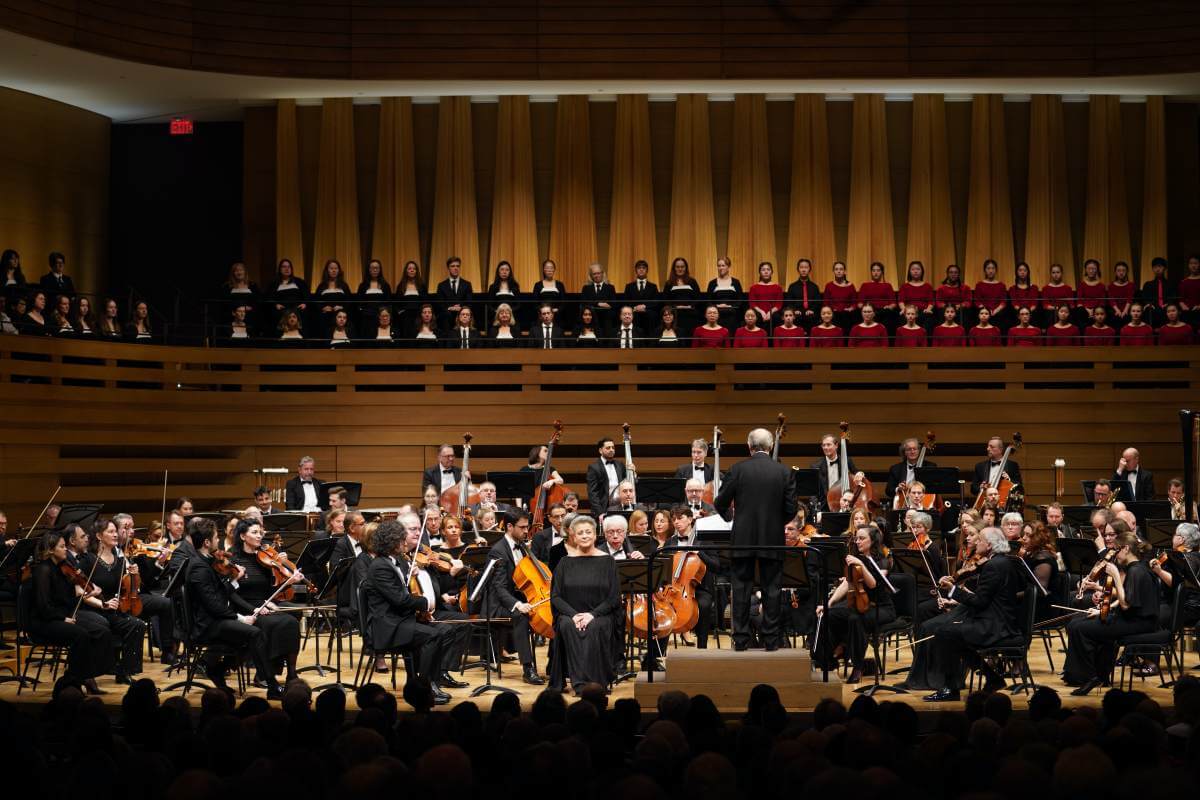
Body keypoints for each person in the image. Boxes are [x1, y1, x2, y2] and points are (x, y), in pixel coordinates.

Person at [713, 427, 797, 651]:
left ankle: (740, 640)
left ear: (749, 446)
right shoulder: (784, 472)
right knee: (772, 589)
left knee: (740, 588)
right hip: (772, 539)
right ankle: (771, 640)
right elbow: (791, 509)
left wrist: (732, 517)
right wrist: (776, 523)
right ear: (770, 447)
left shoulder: (737, 469)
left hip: (743, 539)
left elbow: (720, 501)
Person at [920, 527, 1023, 701]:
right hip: (1000, 620)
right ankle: (992, 679)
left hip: (995, 625)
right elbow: (985, 597)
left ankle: (950, 689)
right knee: (950, 633)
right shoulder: (1002, 562)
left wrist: (953, 590)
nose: (976, 542)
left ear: (989, 545)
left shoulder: (993, 566)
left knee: (944, 633)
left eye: (980, 540)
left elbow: (980, 602)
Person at [183, 517, 281, 697]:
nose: (217, 541)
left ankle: (217, 670)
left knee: (252, 634)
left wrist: (234, 580)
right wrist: (242, 618)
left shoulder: (205, 561)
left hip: (213, 619)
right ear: (206, 542)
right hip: (206, 625)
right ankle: (273, 686)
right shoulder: (199, 567)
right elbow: (215, 606)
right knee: (255, 633)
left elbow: (219, 593)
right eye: (214, 538)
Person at [363, 519, 454, 703]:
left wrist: (407, 576)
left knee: (444, 630)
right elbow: (400, 599)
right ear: (390, 542)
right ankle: (423, 688)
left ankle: (431, 683)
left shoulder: (394, 561)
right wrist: (426, 602)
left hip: (399, 619)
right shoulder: (380, 566)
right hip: (388, 626)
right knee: (432, 636)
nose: (405, 543)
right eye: (401, 540)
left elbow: (401, 591)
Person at [1062, 524, 1160, 695]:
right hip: (1132, 619)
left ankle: (1087, 676)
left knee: (1079, 628)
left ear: (1126, 549)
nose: (1114, 553)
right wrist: (1101, 612)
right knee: (1077, 622)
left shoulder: (1137, 571)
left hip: (1140, 623)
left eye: (1116, 550)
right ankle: (1097, 674)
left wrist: (1115, 576)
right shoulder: (1135, 569)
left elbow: (1126, 604)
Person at [28, 531, 113, 693]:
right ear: (51, 550)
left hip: (63, 614)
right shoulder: (43, 570)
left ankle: (85, 676)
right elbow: (43, 605)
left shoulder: (62, 568)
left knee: (101, 631)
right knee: (80, 635)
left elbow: (67, 598)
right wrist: (63, 618)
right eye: (62, 547)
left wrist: (88, 593)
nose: (66, 550)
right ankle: (71, 680)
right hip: (44, 621)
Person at [396, 512, 470, 690]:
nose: (417, 533)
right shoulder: (397, 559)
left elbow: (441, 586)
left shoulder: (424, 554)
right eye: (412, 529)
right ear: (399, 532)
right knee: (440, 632)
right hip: (413, 616)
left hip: (432, 609)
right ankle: (428, 679)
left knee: (464, 622)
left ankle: (442, 670)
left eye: (418, 529)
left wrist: (452, 573)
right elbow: (398, 595)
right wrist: (406, 574)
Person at [226, 519, 303, 688]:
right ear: (242, 536)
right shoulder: (232, 558)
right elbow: (231, 594)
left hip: (264, 604)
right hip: (245, 608)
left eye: (260, 532)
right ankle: (264, 674)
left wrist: (288, 582)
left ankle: (291, 673)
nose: (259, 535)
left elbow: (271, 588)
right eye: (254, 532)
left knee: (290, 622)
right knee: (273, 624)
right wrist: (255, 608)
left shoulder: (264, 557)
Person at [815, 524, 895, 682]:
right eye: (856, 538)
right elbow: (847, 584)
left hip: (880, 608)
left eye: (862, 538)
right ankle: (830, 660)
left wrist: (862, 564)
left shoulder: (883, 561)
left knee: (854, 619)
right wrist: (828, 603)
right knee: (829, 615)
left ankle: (858, 666)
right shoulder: (855, 558)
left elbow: (872, 584)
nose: (857, 541)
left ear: (872, 541)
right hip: (859, 605)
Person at [550, 515, 621, 693]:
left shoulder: (608, 561)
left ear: (595, 535)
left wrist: (591, 615)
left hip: (600, 615)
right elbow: (556, 597)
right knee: (566, 626)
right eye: (580, 533)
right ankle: (580, 683)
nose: (584, 536)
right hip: (571, 615)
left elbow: (613, 597)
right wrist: (574, 615)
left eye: (588, 532)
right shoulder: (564, 563)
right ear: (573, 537)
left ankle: (595, 683)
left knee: (595, 627)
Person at [76, 519, 147, 683]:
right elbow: (79, 591)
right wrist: (102, 603)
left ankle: (125, 671)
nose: (115, 534)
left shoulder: (120, 559)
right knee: (105, 626)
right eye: (110, 531)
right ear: (99, 536)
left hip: (114, 609)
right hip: (93, 609)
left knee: (137, 625)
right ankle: (99, 668)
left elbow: (134, 586)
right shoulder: (88, 560)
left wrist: (135, 574)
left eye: (116, 531)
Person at [487, 510, 545, 684]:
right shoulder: (498, 551)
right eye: (522, 527)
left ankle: (557, 666)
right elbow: (499, 588)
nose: (526, 531)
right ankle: (528, 669)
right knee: (521, 616)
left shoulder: (523, 546)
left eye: (527, 527)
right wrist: (517, 604)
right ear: (510, 526)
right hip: (500, 603)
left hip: (519, 598)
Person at [1148, 523, 1200, 632]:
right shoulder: (1180, 556)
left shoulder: (1185, 558)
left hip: (1185, 607)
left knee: (1151, 616)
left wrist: (1159, 571)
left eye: (1175, 535)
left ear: (1181, 539)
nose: (1172, 537)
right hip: (1175, 603)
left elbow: (1177, 583)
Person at [812, 432, 863, 512]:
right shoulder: (816, 466)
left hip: (845, 503)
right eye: (823, 445)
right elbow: (813, 491)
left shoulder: (846, 460)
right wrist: (816, 509)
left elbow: (857, 472)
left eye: (828, 444)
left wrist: (860, 474)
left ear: (836, 445)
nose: (825, 447)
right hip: (824, 506)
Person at [586, 436, 629, 514]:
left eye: (613, 448)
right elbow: (593, 494)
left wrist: (632, 472)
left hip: (620, 506)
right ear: (600, 450)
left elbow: (628, 483)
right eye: (608, 448)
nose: (611, 450)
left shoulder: (620, 465)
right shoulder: (594, 468)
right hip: (604, 508)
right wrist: (600, 513)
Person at [434, 256, 473, 332]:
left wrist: (460, 308)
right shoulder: (441, 285)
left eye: (458, 266)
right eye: (453, 266)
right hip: (447, 317)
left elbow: (469, 303)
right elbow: (439, 304)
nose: (456, 268)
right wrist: (450, 308)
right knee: (444, 316)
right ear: (448, 268)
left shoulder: (467, 284)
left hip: (462, 315)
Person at [582, 262, 618, 336]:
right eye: (594, 274)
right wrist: (599, 303)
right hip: (591, 319)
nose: (597, 275)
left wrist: (594, 304)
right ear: (591, 275)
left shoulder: (610, 288)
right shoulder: (586, 288)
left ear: (602, 273)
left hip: (606, 320)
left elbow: (613, 305)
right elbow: (585, 303)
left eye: (598, 273)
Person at [623, 259, 660, 331]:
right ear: (636, 270)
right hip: (634, 313)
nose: (641, 270)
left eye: (643, 268)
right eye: (639, 268)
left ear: (647, 270)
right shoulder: (629, 286)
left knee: (653, 315)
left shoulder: (653, 286)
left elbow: (656, 302)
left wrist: (644, 306)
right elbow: (625, 302)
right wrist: (635, 307)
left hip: (649, 315)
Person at [784, 258, 822, 328]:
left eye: (806, 267)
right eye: (801, 267)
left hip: (811, 312)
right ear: (798, 269)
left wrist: (812, 310)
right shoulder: (792, 286)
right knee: (796, 318)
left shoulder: (815, 287)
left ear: (809, 269)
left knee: (812, 317)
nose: (803, 270)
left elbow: (818, 302)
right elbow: (788, 302)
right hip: (797, 313)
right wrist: (794, 311)